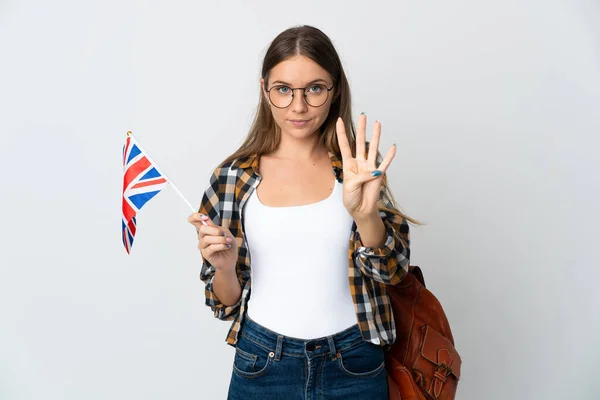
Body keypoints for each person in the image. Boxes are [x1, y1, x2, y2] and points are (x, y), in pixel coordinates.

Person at [187, 25, 420, 400]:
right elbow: (224, 303)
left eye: (314, 88)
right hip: (263, 364)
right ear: (265, 91)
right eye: (283, 90)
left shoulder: (357, 167)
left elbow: (393, 272)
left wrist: (365, 217)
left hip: (354, 362)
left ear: (334, 90)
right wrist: (225, 266)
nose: (298, 106)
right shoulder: (232, 178)